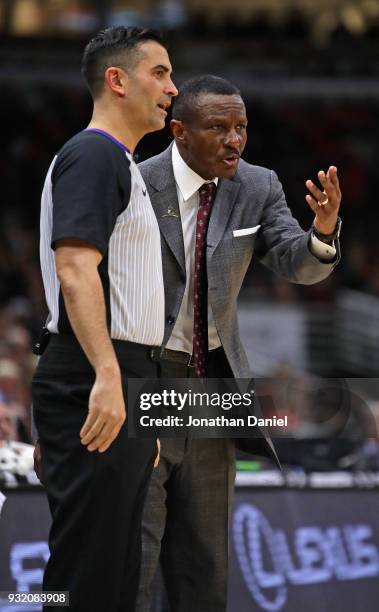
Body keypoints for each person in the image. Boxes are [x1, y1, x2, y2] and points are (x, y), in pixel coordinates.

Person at [136, 75, 342, 612]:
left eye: (241, 128)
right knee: (134, 557)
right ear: (179, 131)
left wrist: (321, 233)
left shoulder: (257, 185)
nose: (234, 140)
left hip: (211, 390)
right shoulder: (133, 184)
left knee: (205, 565)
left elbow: (296, 262)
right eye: (218, 127)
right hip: (143, 384)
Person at [32, 26, 177, 612]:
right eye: (161, 73)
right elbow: (73, 270)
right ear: (116, 80)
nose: (174, 88)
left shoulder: (119, 161)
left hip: (121, 376)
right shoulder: (93, 154)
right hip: (100, 372)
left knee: (115, 574)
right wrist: (109, 378)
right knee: (84, 577)